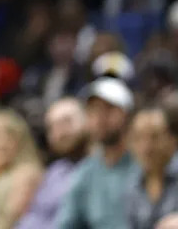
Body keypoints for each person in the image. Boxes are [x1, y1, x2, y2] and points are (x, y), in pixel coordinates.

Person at [56, 77, 140, 229]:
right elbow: (66, 223)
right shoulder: (86, 171)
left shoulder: (146, 163)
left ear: (127, 114)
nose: (100, 117)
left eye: (108, 109)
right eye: (93, 110)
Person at [16, 97, 89, 229]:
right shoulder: (55, 171)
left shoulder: (102, 167)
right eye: (52, 127)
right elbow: (35, 216)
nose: (60, 132)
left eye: (66, 122)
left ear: (88, 121)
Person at [126, 107, 178, 229]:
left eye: (154, 137)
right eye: (138, 138)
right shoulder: (131, 185)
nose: (146, 147)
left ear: (172, 139)